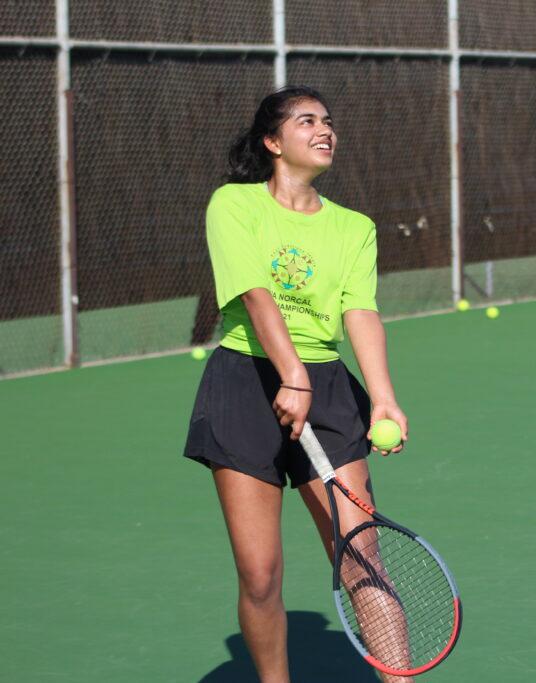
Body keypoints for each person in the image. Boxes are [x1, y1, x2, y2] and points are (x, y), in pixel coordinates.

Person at [183, 86, 410, 683]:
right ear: (273, 141)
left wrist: (382, 395)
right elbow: (255, 295)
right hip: (244, 384)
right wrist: (290, 376)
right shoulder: (233, 205)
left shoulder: (354, 227)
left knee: (363, 558)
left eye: (329, 121)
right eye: (306, 120)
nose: (324, 129)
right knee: (260, 576)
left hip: (329, 392)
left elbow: (360, 311)